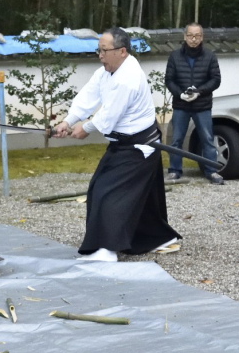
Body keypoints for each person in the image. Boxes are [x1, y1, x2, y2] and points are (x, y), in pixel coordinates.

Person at [52, 27, 181, 262]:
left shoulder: (128, 78)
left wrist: (85, 128)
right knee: (140, 197)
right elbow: (89, 96)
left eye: (104, 50)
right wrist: (68, 121)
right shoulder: (107, 71)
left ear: (122, 51)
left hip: (138, 146)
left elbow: (109, 115)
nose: (100, 55)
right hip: (125, 143)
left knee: (107, 192)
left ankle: (107, 248)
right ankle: (157, 238)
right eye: (98, 50)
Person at [165, 22, 224, 185]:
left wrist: (199, 91)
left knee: (207, 139)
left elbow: (216, 79)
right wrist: (180, 94)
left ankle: (212, 171)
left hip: (202, 105)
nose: (194, 39)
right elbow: (169, 80)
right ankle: (175, 170)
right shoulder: (175, 56)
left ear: (202, 37)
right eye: (190, 35)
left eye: (197, 36)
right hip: (181, 105)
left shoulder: (210, 56)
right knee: (177, 139)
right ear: (185, 36)